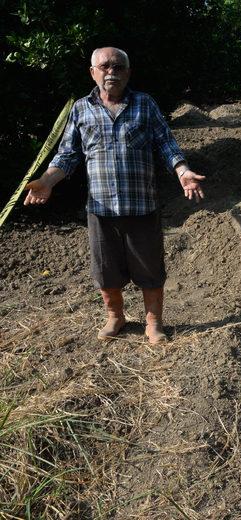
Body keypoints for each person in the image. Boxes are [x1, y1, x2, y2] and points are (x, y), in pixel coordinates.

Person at [24, 47, 205, 344]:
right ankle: (115, 317)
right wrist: (46, 181)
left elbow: (166, 144)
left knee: (150, 268)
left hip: (141, 204)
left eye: (119, 67)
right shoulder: (81, 109)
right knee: (105, 271)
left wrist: (182, 171)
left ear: (128, 73)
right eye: (105, 66)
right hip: (101, 207)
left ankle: (153, 322)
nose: (112, 72)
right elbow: (67, 155)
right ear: (93, 72)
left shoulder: (144, 104)